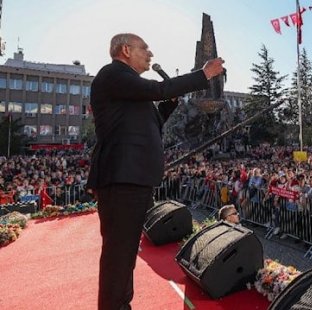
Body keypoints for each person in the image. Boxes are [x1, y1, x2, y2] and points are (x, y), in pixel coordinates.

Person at [87, 33, 225, 310]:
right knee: (119, 254)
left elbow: (150, 122)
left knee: (125, 253)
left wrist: (170, 103)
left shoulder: (128, 90)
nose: (150, 54)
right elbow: (157, 90)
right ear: (125, 50)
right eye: (144, 48)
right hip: (121, 177)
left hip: (132, 177)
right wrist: (203, 74)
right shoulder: (114, 74)